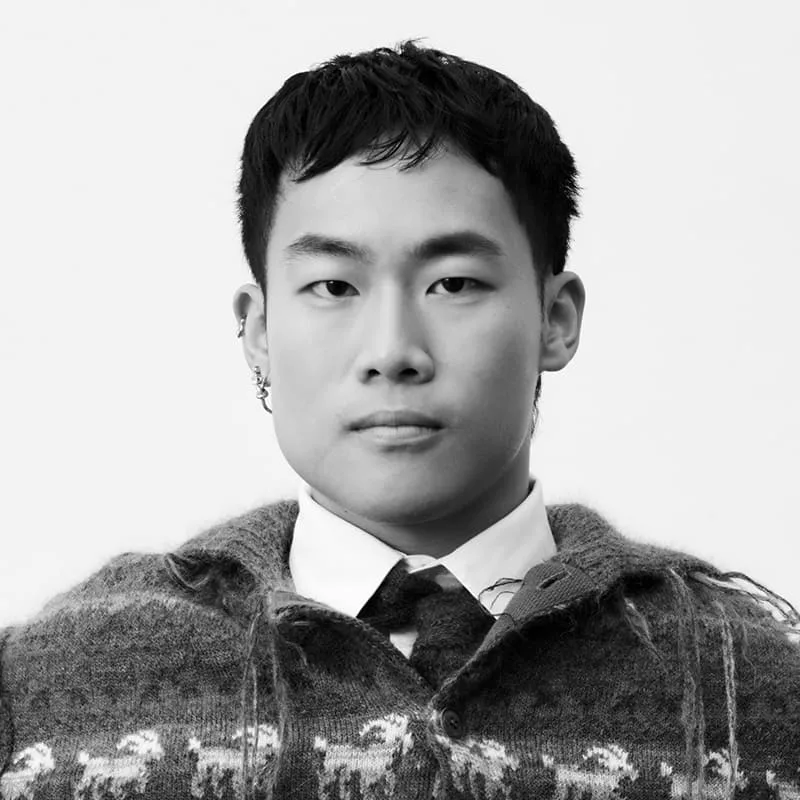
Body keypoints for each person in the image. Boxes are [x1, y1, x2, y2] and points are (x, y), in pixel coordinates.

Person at [1, 40, 798, 800]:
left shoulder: (752, 684)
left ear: (555, 320)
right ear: (259, 330)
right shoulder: (50, 687)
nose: (392, 352)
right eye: (334, 287)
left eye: (454, 284)